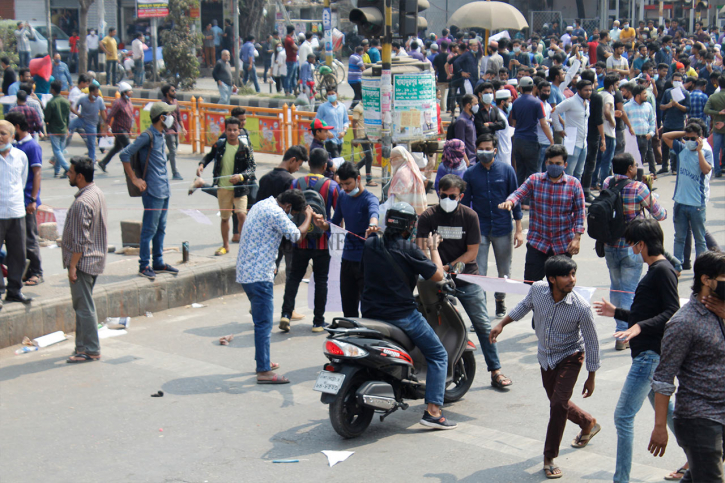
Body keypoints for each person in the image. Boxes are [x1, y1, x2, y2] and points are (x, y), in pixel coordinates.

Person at [490, 256, 600, 479]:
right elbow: (523, 306)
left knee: (558, 403)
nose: (572, 280)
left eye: (573, 274)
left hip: (571, 355)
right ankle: (587, 422)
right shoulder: (538, 290)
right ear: (551, 279)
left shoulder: (581, 307)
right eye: (566, 275)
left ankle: (549, 457)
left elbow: (592, 341)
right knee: (557, 401)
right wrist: (501, 324)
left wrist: (591, 376)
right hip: (545, 356)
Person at [592, 218, 683, 482]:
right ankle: (700, 455)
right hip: (649, 354)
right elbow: (648, 312)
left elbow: (672, 312)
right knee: (670, 413)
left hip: (649, 357)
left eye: (632, 243)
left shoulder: (662, 271)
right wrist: (617, 312)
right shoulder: (656, 270)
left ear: (641, 244)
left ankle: (621, 479)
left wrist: (640, 327)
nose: (630, 248)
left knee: (623, 416)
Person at [361, 202, 456, 429]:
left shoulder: (371, 242)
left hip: (370, 312)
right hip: (402, 315)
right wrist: (433, 247)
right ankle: (433, 412)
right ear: (410, 226)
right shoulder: (409, 248)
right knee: (438, 354)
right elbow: (437, 275)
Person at [418, 173, 512, 388]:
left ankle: (495, 370)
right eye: (443, 195)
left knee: (482, 325)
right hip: (437, 283)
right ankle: (436, 374)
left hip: (467, 279)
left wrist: (448, 268)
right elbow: (422, 249)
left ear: (461, 196)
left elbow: (471, 254)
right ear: (438, 193)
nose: (447, 200)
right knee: (438, 328)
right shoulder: (428, 216)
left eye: (452, 196)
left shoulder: (469, 216)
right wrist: (436, 270)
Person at [649, 250, 725, 482]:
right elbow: (663, 378)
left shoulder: (721, 312)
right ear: (706, 280)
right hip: (700, 418)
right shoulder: (684, 323)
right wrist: (660, 427)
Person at [237, 189, 313, 384]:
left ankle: (263, 360)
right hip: (259, 275)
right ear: (287, 206)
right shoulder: (276, 212)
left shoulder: (262, 204)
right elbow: (297, 235)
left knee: (260, 320)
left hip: (247, 273)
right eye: (293, 213)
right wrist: (309, 217)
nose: (291, 216)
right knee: (263, 324)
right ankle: (263, 371)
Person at [500, 144, 585, 283]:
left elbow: (580, 213)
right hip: (538, 243)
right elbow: (518, 194)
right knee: (531, 286)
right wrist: (510, 202)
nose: (554, 166)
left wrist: (577, 238)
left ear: (565, 165)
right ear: (546, 163)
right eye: (551, 163)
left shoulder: (574, 184)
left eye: (558, 163)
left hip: (562, 244)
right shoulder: (535, 180)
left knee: (561, 287)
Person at [463, 134, 523, 318]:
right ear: (476, 150)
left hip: (502, 228)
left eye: (488, 149)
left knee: (504, 270)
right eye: (481, 149)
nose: (484, 152)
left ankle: (500, 299)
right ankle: (480, 314)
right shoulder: (470, 173)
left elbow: (516, 199)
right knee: (479, 272)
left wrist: (519, 229)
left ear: (495, 150)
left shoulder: (507, 171)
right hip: (479, 229)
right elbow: (465, 204)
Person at [281, 148, 341, 332]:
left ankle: (285, 314)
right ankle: (318, 321)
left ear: (308, 164)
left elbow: (288, 211)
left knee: (293, 278)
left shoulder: (295, 183)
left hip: (301, 238)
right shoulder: (331, 186)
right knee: (321, 280)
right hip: (323, 241)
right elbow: (338, 217)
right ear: (325, 166)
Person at [120, 102, 180, 281]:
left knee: (161, 228)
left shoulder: (161, 134)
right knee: (149, 229)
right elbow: (124, 154)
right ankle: (144, 264)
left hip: (164, 189)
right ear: (162, 118)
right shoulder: (147, 136)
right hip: (152, 190)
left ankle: (158, 261)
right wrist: (134, 179)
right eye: (169, 115)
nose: (172, 118)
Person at [313, 162, 379, 318]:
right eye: (342, 184)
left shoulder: (370, 198)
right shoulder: (343, 196)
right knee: (348, 306)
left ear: (358, 179)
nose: (346, 188)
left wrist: (373, 225)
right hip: (347, 258)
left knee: (369, 306)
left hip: (366, 260)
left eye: (348, 183)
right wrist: (322, 225)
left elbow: (374, 213)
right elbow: (335, 224)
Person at [62, 156, 108, 363]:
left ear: (80, 176)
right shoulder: (96, 193)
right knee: (82, 305)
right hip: (94, 258)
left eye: (70, 172)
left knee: (83, 306)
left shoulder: (82, 202)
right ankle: (82, 347)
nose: (68, 175)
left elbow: (81, 240)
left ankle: (90, 349)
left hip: (84, 261)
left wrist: (72, 266)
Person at [197, 117, 256, 256]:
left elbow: (252, 167)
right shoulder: (220, 145)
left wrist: (241, 177)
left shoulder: (245, 148)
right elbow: (209, 156)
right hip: (223, 188)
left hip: (240, 188)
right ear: (225, 130)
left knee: (242, 215)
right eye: (229, 130)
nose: (232, 133)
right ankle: (225, 246)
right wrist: (201, 165)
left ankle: (245, 245)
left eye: (235, 130)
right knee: (225, 218)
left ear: (239, 130)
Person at [661, 124, 713, 267]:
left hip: (697, 205)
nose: (689, 140)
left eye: (693, 138)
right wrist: (684, 132)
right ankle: (677, 266)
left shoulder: (706, 152)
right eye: (687, 138)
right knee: (679, 238)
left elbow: (706, 170)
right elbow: (665, 136)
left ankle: (701, 267)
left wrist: (699, 150)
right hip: (680, 202)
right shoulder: (681, 149)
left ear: (700, 138)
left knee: (700, 239)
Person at [257, 145, 308, 290]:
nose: (298, 169)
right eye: (298, 164)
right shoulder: (290, 182)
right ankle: (288, 309)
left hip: (268, 235)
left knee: (269, 270)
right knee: (292, 272)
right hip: (286, 234)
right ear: (293, 160)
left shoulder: (264, 179)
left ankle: (261, 297)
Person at [6, 111, 43, 287]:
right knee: (17, 242)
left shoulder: (31, 147)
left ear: (17, 128)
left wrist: (33, 199)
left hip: (26, 200)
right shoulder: (14, 146)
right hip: (13, 203)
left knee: (29, 238)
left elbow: (36, 174)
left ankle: (36, 271)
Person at [0, 120, 32, 308]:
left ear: (13, 136)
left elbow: (22, 181)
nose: (0, 137)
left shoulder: (20, 156)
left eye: (3, 133)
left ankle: (14, 290)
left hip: (16, 212)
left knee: (17, 254)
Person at [510, 76, 553, 194]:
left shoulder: (516, 102)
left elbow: (514, 123)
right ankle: (529, 200)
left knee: (520, 172)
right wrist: (551, 141)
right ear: (534, 88)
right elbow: (544, 124)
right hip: (531, 141)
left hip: (518, 140)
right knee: (533, 173)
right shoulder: (537, 103)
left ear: (520, 88)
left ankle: (518, 198)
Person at [552, 80, 593, 180]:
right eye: (585, 90)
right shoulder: (571, 101)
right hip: (572, 141)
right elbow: (554, 111)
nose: (588, 92)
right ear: (578, 91)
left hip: (583, 142)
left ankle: (576, 194)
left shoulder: (586, 102)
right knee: (569, 172)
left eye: (590, 90)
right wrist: (559, 129)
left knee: (579, 172)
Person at [98, 82, 134, 173]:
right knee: (129, 149)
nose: (131, 92)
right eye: (129, 91)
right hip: (119, 129)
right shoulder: (118, 103)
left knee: (117, 147)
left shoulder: (129, 101)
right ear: (124, 92)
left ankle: (103, 162)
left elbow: (129, 116)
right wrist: (105, 128)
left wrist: (129, 130)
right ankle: (130, 168)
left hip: (125, 129)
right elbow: (110, 116)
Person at [659, 72, 690, 174]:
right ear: (672, 81)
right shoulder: (668, 92)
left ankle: (675, 167)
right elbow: (661, 106)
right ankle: (664, 166)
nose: (677, 82)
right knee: (665, 145)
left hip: (679, 123)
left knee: (676, 146)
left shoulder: (685, 93)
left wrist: (677, 105)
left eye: (679, 81)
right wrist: (668, 106)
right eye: (675, 80)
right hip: (668, 122)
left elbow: (687, 109)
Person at [68, 84, 107, 163]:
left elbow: (103, 113)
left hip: (92, 125)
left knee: (91, 145)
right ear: (91, 92)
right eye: (96, 92)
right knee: (70, 125)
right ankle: (64, 136)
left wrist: (106, 124)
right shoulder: (83, 98)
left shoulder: (99, 100)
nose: (97, 94)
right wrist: (77, 113)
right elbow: (75, 106)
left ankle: (91, 162)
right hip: (82, 120)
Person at [623, 85, 657, 177]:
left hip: (644, 138)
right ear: (638, 95)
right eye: (644, 93)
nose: (646, 95)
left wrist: (651, 133)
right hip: (632, 139)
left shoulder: (648, 106)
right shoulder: (627, 106)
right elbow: (623, 123)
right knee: (630, 161)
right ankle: (630, 182)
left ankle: (639, 183)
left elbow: (652, 121)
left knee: (640, 162)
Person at [388, 146, 427, 215]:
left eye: (393, 159)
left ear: (400, 157)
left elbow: (397, 196)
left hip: (404, 212)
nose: (391, 162)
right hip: (417, 211)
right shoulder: (413, 169)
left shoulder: (401, 173)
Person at [44, 80, 71, 178]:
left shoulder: (51, 102)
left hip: (54, 129)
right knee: (60, 150)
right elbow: (67, 117)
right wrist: (67, 127)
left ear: (53, 90)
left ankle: (67, 168)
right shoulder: (65, 101)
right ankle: (57, 171)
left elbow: (47, 117)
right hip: (64, 128)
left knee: (57, 151)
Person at [314, 86, 348, 159]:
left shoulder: (342, 107)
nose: (331, 96)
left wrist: (344, 131)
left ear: (337, 94)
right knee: (337, 159)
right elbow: (317, 121)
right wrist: (326, 132)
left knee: (335, 160)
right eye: (329, 94)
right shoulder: (323, 107)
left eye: (332, 93)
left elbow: (346, 121)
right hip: (330, 139)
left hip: (340, 139)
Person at [160, 84, 185, 180]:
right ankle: (175, 172)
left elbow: (179, 116)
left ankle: (160, 164)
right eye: (173, 91)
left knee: (173, 151)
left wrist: (183, 127)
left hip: (175, 129)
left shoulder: (175, 102)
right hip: (167, 130)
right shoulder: (162, 104)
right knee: (173, 151)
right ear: (167, 93)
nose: (175, 92)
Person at [704, 75, 725, 178]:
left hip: (717, 126)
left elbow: (706, 110)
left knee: (716, 150)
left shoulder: (713, 96)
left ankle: (717, 170)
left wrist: (718, 112)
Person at [351, 103, 376, 186]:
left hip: (370, 134)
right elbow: (354, 123)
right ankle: (369, 180)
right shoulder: (358, 108)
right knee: (369, 157)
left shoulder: (370, 106)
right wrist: (355, 138)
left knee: (368, 156)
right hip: (362, 135)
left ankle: (355, 168)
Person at [453, 93, 478, 162]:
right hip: (468, 160)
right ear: (468, 105)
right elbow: (460, 143)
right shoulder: (462, 121)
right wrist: (466, 160)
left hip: (474, 157)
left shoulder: (471, 118)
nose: (477, 106)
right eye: (475, 104)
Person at [284, 26, 299, 95]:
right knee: (289, 76)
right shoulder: (289, 39)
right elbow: (296, 48)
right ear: (292, 31)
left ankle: (295, 90)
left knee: (293, 77)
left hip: (293, 59)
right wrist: (295, 49)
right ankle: (287, 91)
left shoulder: (289, 39)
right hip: (290, 60)